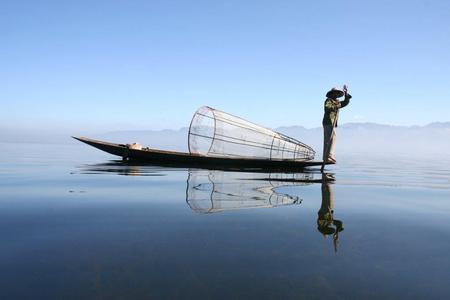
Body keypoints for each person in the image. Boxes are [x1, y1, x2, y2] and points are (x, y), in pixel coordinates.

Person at [321, 85, 352, 171]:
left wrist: (346, 94)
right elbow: (327, 107)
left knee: (331, 139)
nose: (336, 95)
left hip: (332, 123)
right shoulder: (328, 101)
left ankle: (327, 156)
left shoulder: (337, 102)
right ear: (332, 94)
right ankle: (328, 156)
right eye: (335, 93)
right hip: (328, 122)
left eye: (337, 93)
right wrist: (335, 106)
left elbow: (345, 103)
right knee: (330, 139)